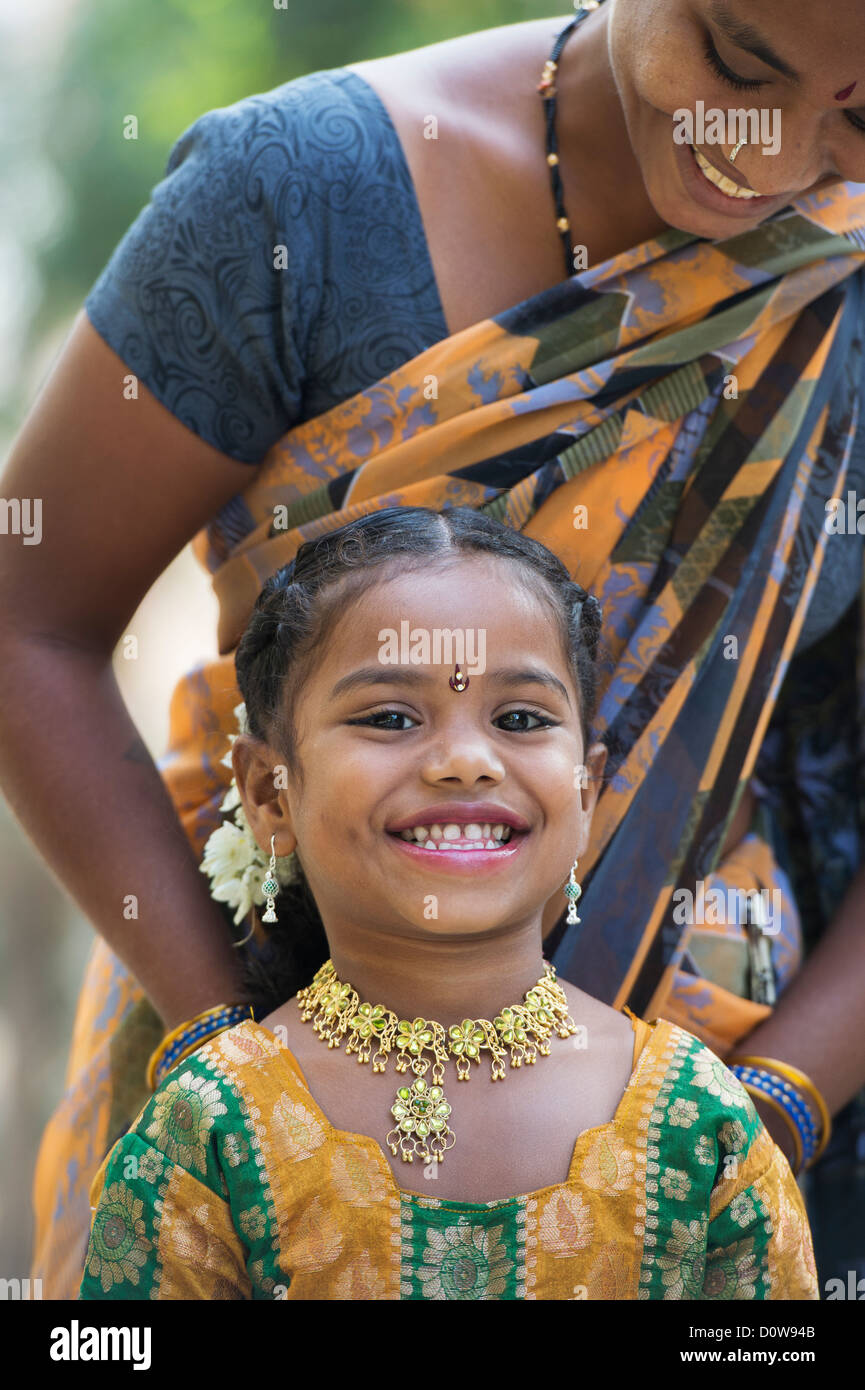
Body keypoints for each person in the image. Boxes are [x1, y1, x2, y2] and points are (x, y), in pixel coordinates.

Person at [2, 0, 863, 1298]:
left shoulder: (717, 1175)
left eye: (860, 117)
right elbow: (30, 619)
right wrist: (237, 1065)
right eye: (739, 62)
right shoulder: (294, 204)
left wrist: (761, 1114)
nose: (775, 151)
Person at [78, 506, 817, 1300]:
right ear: (269, 794)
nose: (466, 761)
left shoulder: (695, 1120)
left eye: (519, 719)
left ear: (585, 790)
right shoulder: (211, 1129)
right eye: (391, 717)